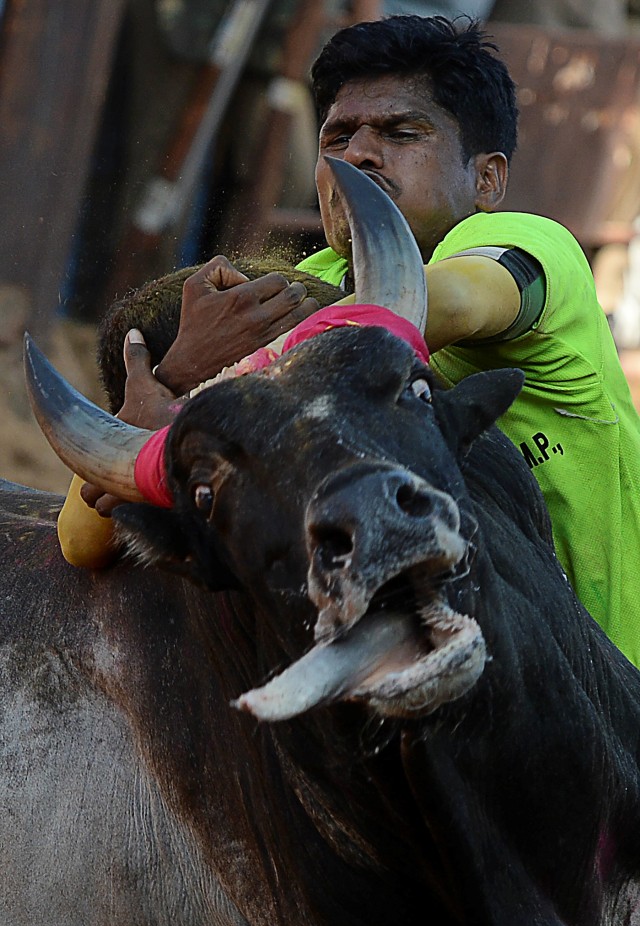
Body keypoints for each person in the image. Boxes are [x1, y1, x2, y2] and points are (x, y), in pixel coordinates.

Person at [60, 15, 640, 671]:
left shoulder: (535, 246)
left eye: (400, 133)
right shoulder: (313, 284)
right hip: (457, 682)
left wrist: (195, 382)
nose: (357, 155)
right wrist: (168, 389)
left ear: (487, 181)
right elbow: (81, 543)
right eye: (337, 137)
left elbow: (442, 302)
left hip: (614, 678)